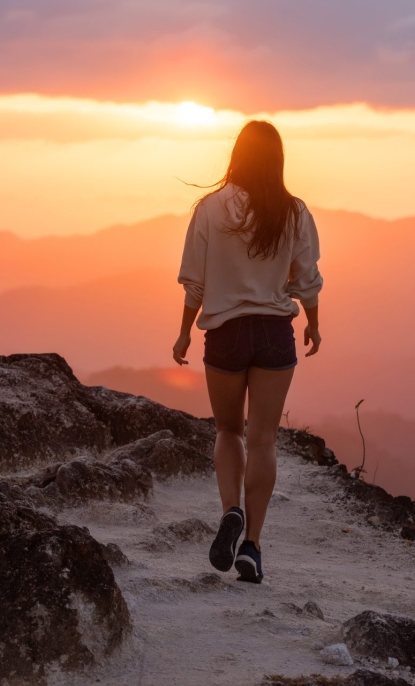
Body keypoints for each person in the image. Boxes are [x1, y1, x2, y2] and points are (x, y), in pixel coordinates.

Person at [173, 120, 323, 584]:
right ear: (277, 159)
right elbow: (306, 281)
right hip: (274, 332)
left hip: (224, 333)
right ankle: (253, 547)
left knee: (227, 431)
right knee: (263, 440)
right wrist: (314, 325)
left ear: (236, 155)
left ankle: (231, 511)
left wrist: (182, 333)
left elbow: (194, 282)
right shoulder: (293, 212)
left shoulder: (210, 209)